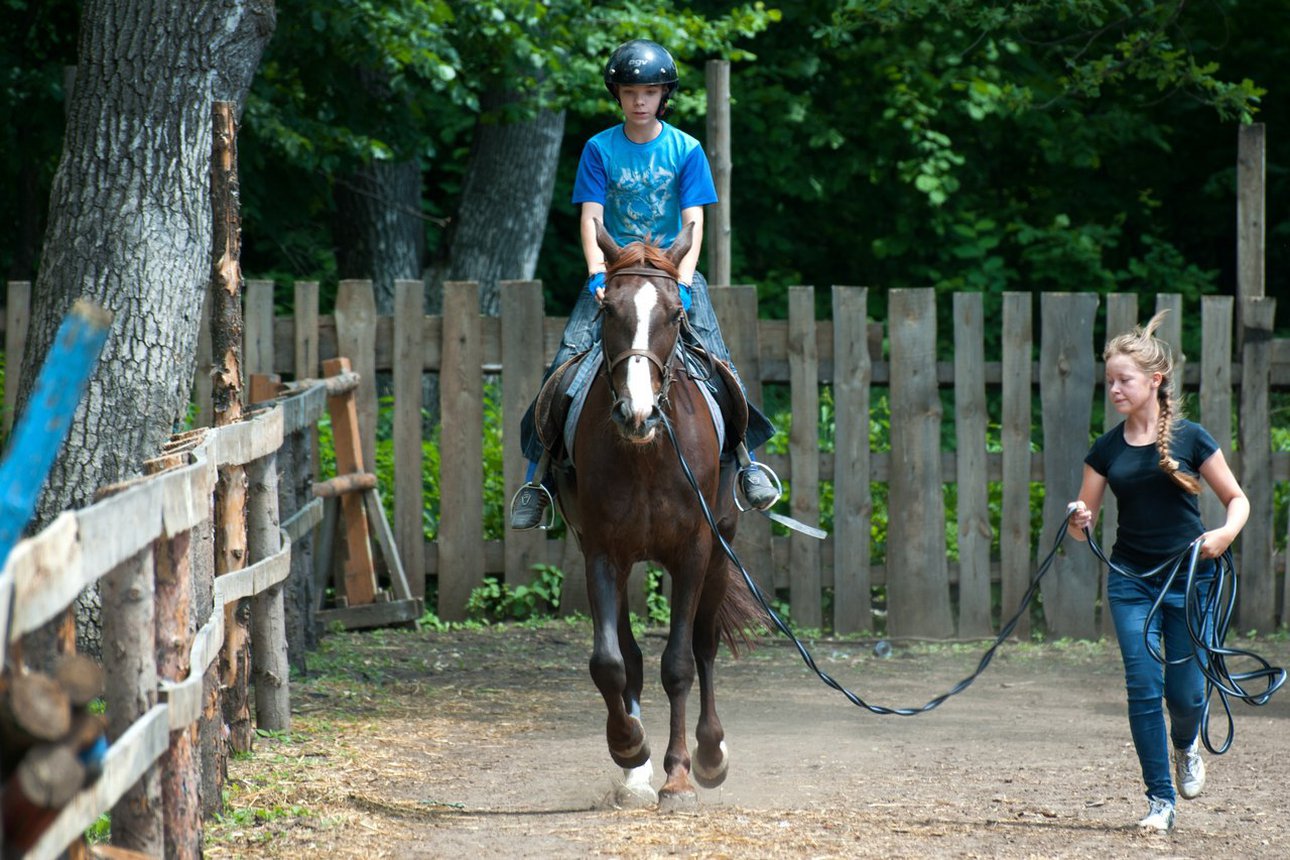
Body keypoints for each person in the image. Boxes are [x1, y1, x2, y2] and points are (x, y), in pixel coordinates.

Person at [509, 38, 778, 529]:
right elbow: (592, 219)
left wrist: (684, 281)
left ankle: (747, 465)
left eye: (650, 91)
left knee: (720, 362)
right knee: (562, 366)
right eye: (631, 91)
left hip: (671, 275)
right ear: (617, 93)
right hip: (615, 276)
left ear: (663, 95)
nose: (639, 100)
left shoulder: (686, 149)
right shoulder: (598, 149)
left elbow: (693, 224)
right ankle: (539, 478)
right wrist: (596, 273)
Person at [1066, 310, 1249, 832]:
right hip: (1130, 582)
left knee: (1186, 695)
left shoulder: (1191, 438)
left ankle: (1187, 742)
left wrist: (1224, 534)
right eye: (1110, 382)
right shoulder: (1106, 449)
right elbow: (1084, 525)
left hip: (1191, 579)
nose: (1115, 390)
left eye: (1124, 380)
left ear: (1154, 381)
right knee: (1143, 686)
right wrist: (1079, 519)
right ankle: (1160, 800)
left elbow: (1237, 500)